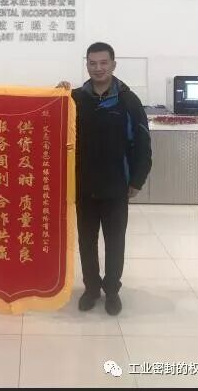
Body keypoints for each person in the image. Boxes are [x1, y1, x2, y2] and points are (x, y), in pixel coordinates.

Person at [58, 42, 152, 316]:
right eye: (92, 63)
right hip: (83, 185)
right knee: (86, 242)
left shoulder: (128, 101)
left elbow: (143, 143)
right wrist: (56, 96)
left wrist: (137, 180)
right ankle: (90, 289)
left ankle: (112, 290)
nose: (98, 68)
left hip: (116, 185)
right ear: (86, 65)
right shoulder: (74, 99)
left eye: (103, 63)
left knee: (114, 242)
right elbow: (51, 127)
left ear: (113, 64)